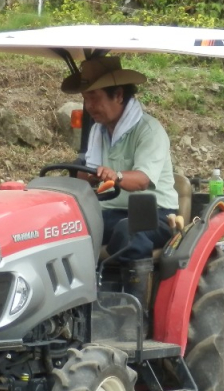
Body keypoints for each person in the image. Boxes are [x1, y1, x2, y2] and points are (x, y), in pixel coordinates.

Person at [62, 56, 178, 266]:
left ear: (118, 95)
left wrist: (116, 176)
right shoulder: (99, 131)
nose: (88, 106)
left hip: (154, 214)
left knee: (129, 231)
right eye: (85, 99)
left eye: (94, 98)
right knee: (66, 226)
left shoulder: (149, 131)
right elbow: (88, 173)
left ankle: (133, 293)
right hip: (109, 210)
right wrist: (84, 176)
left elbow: (142, 180)